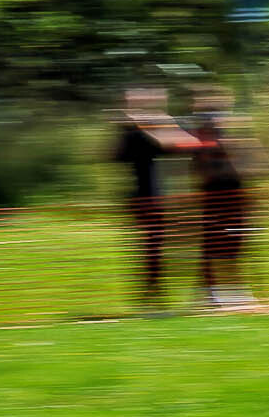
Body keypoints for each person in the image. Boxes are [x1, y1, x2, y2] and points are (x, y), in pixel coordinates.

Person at [110, 88, 203, 314]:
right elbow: (114, 156)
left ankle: (199, 291)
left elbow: (189, 144)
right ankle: (153, 294)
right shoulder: (130, 132)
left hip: (177, 197)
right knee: (153, 248)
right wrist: (128, 129)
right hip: (147, 197)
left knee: (179, 247)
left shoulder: (163, 124)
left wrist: (151, 127)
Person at [189, 87, 258, 308]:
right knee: (213, 244)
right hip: (214, 198)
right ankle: (209, 292)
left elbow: (246, 166)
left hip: (235, 196)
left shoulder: (227, 136)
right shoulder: (204, 138)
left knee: (234, 243)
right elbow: (202, 169)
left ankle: (231, 290)